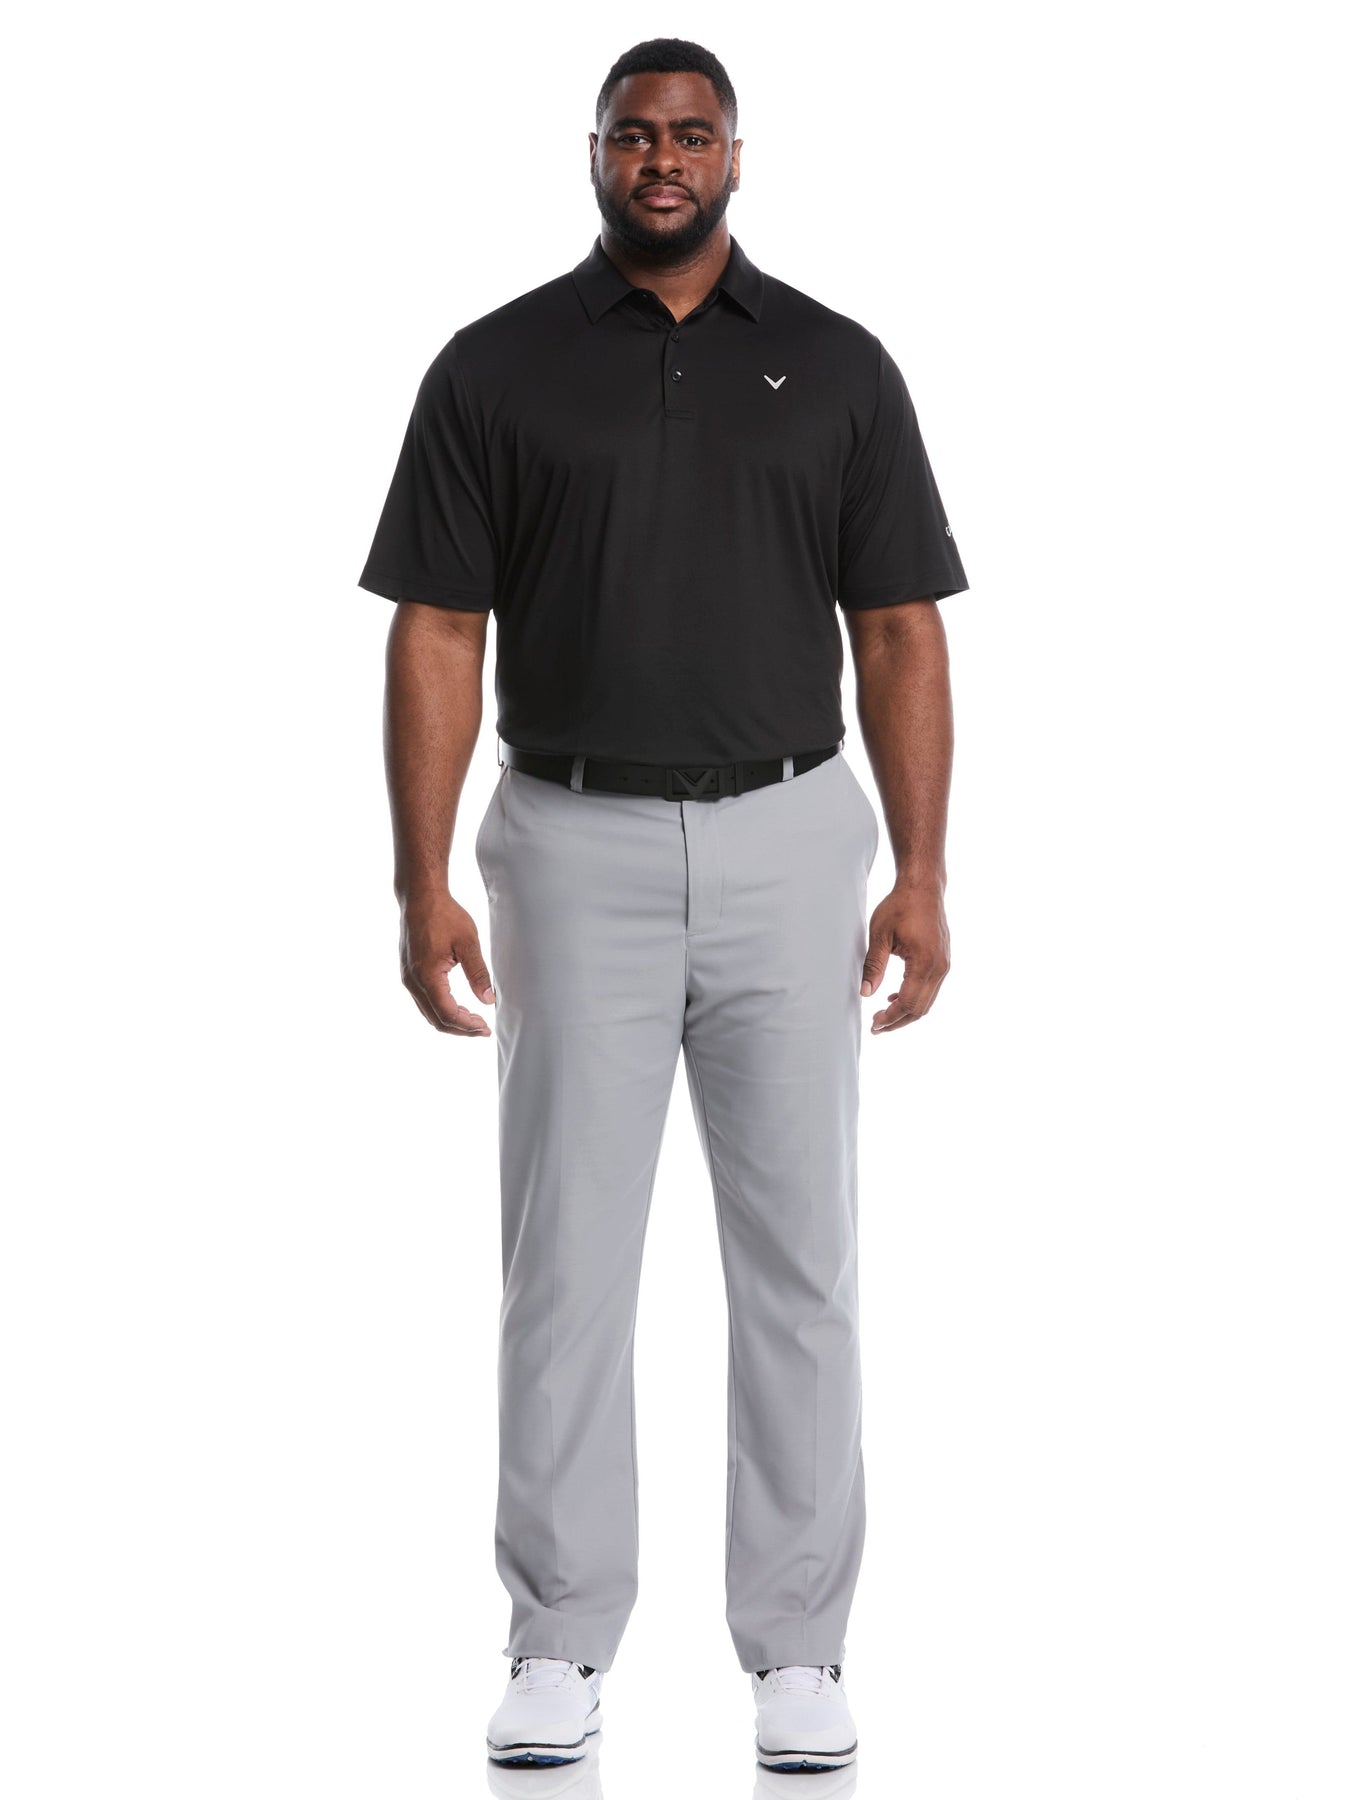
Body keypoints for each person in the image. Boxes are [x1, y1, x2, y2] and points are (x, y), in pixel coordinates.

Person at [357, 35, 968, 1775]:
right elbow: (437, 629)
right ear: (596, 153)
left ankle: (798, 1648)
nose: (662, 158)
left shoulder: (837, 367)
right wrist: (418, 877)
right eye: (634, 133)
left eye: (691, 133)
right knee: (563, 1265)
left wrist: (921, 871)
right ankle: (558, 1635)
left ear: (735, 157)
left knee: (801, 1265)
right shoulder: (495, 368)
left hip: (791, 841)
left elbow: (899, 629)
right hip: (569, 846)